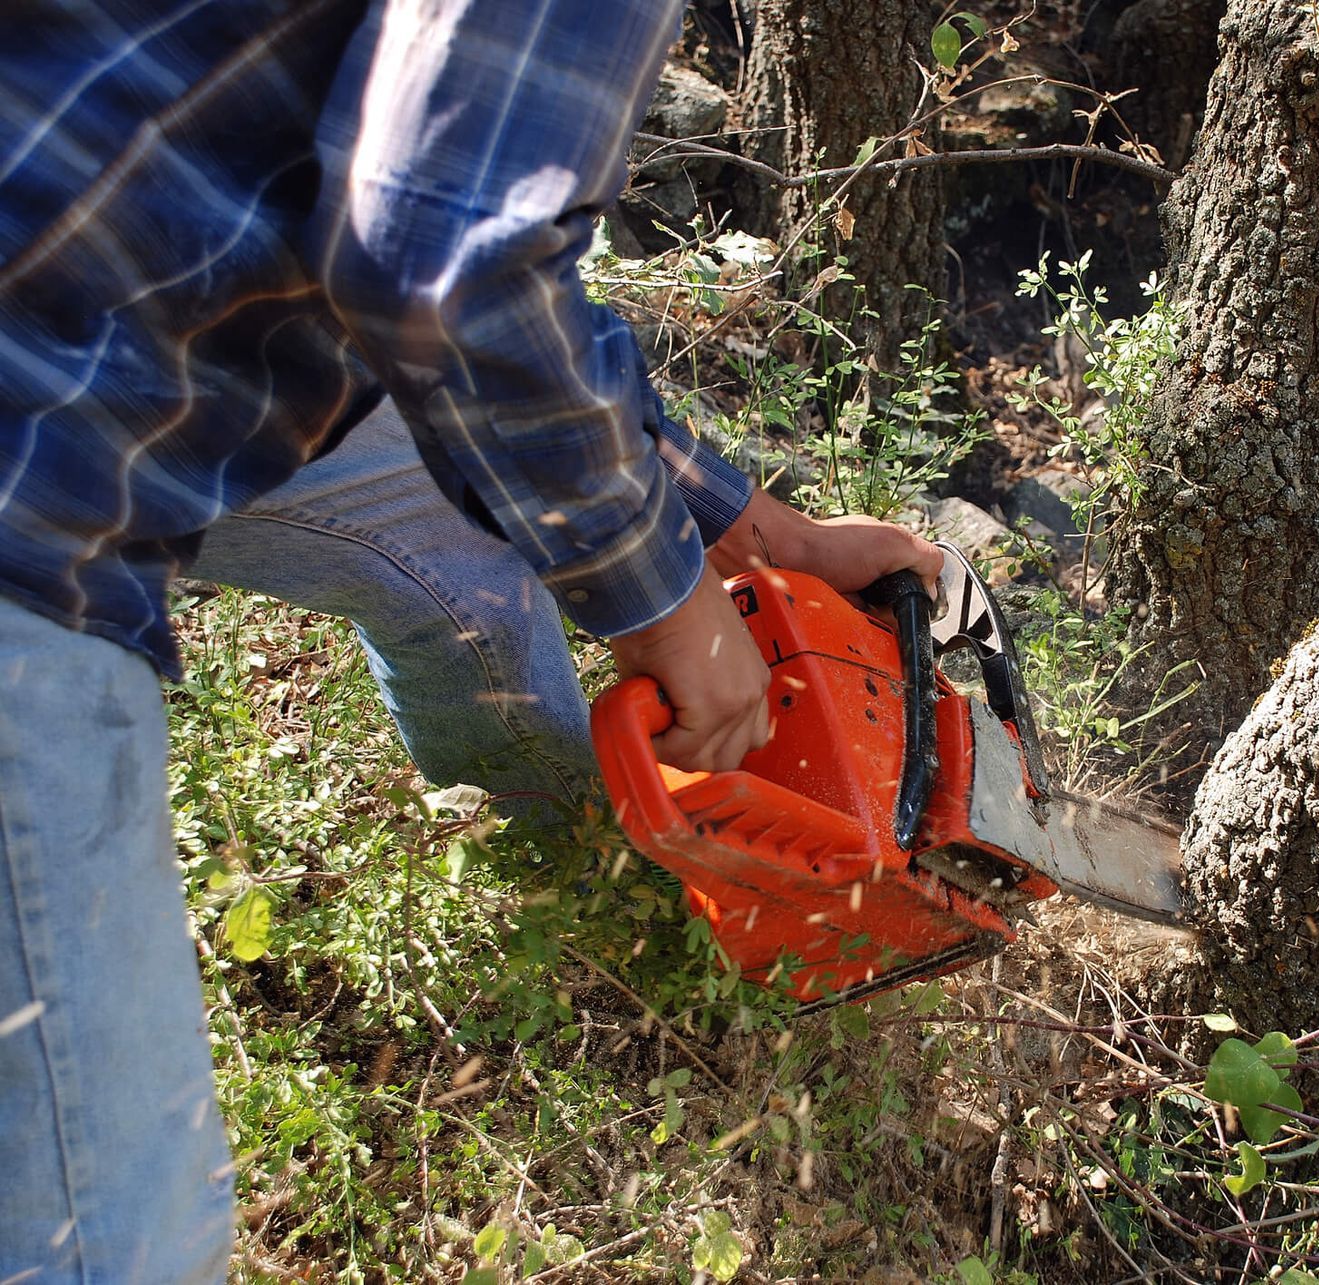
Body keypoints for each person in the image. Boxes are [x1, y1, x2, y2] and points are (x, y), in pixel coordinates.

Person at [0, 2, 939, 1280]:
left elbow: (446, 264)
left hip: (114, 276)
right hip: (34, 428)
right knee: (116, 1240)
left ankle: (569, 883)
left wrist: (756, 534)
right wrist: (665, 607)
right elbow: (452, 259)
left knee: (473, 541)